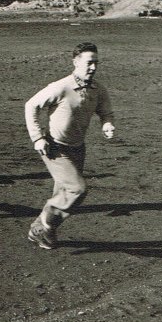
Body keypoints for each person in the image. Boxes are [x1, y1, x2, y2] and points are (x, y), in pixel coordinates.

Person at [24, 42, 116, 250]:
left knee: (63, 193)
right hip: (55, 148)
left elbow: (106, 112)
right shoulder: (61, 87)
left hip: (77, 148)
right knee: (77, 189)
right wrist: (37, 137)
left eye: (96, 63)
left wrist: (107, 124)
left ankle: (40, 230)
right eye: (89, 63)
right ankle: (44, 224)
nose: (93, 68)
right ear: (76, 62)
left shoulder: (98, 89)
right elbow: (31, 105)